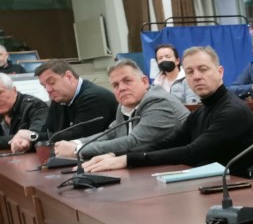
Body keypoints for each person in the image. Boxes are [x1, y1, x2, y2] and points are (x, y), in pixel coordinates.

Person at [83, 46, 253, 176]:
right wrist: (115, 155)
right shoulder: (202, 111)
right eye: (189, 72)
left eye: (203, 69)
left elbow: (192, 152)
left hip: (235, 189)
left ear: (220, 72)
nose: (196, 76)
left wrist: (127, 160)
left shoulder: (233, 111)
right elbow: (167, 143)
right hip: (206, 184)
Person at [52, 60, 189, 160]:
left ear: (144, 82)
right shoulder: (124, 105)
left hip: (181, 169)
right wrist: (76, 143)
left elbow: (134, 142)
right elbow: (110, 134)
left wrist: (77, 150)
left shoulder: (159, 102)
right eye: (116, 85)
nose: (122, 88)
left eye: (127, 81)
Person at [37, 59, 117, 141]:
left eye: (52, 82)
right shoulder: (59, 98)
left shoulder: (94, 98)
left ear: (69, 76)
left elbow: (78, 136)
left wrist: (35, 137)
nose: (48, 89)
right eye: (44, 86)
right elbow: (47, 129)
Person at [0, 73, 47, 151]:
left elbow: (36, 136)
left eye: (0, 93)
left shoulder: (34, 106)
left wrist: (24, 137)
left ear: (14, 90)